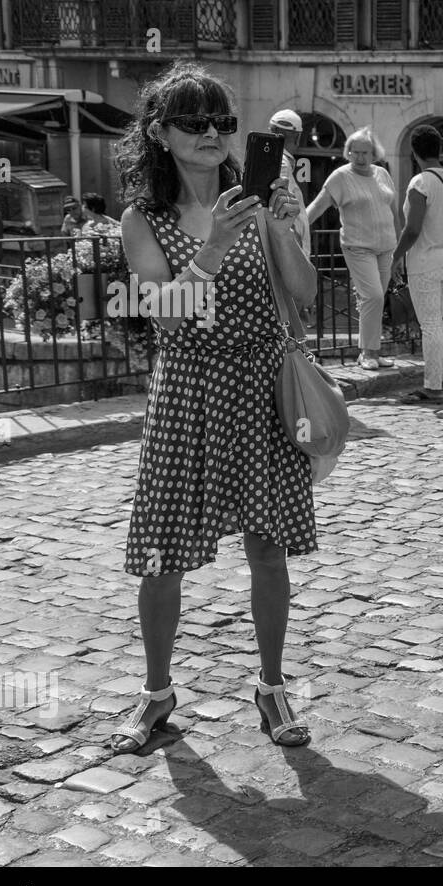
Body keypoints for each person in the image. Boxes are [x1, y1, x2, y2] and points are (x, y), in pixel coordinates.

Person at [110, 61, 317, 753]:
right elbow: (165, 316)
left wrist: (280, 226)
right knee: (161, 551)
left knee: (267, 548)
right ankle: (157, 692)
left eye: (221, 121)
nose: (210, 132)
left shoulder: (257, 203)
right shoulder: (142, 219)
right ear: (160, 133)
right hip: (187, 391)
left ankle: (271, 686)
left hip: (260, 385)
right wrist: (216, 244)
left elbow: (305, 293)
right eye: (192, 121)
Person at [306, 126, 401, 370]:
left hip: (386, 247)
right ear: (348, 152)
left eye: (364, 153)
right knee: (373, 296)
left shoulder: (382, 173)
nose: (359, 157)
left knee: (377, 300)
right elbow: (317, 207)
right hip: (358, 247)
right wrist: (296, 229)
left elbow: (393, 211)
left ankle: (372, 351)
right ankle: (367, 353)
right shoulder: (340, 176)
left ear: (374, 154)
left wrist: (400, 247)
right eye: (354, 152)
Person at [391, 125, 443, 404]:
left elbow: (412, 229)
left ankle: (433, 388)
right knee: (437, 323)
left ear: (414, 152)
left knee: (430, 324)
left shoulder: (420, 183)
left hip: (426, 262)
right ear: (439, 148)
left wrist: (395, 257)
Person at [267, 109, 311, 257]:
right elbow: (282, 206)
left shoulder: (272, 158)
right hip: (287, 248)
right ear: (298, 137)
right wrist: (295, 244)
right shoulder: (281, 163)